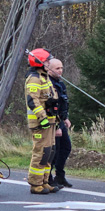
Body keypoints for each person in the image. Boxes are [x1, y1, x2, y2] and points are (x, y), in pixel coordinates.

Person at [25, 48, 61, 195]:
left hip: (50, 121)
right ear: (39, 62)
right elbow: (32, 101)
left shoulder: (45, 77)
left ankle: (45, 181)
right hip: (41, 123)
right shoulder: (34, 78)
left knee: (49, 152)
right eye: (47, 60)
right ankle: (35, 184)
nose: (48, 63)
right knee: (41, 152)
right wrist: (42, 117)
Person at [47, 58, 73, 188]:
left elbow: (63, 103)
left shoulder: (60, 84)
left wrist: (65, 117)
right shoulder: (48, 84)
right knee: (54, 151)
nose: (60, 71)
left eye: (61, 68)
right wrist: (57, 126)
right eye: (57, 68)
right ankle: (48, 178)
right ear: (49, 69)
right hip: (51, 122)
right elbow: (51, 106)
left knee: (66, 147)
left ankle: (60, 176)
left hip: (60, 121)